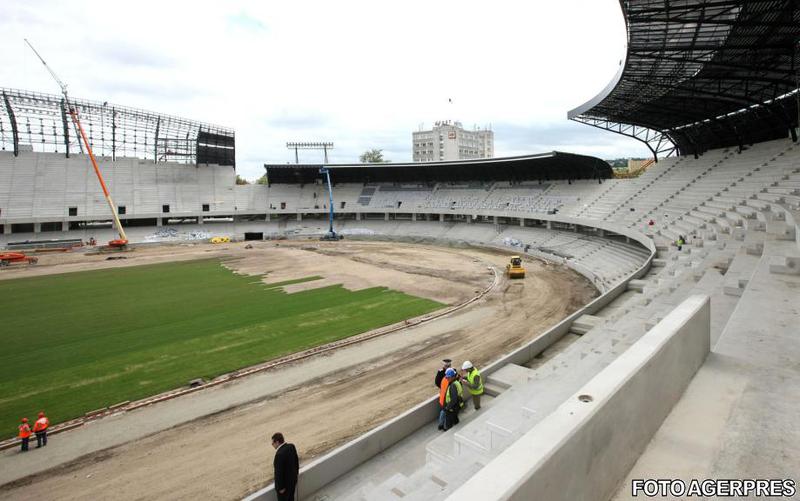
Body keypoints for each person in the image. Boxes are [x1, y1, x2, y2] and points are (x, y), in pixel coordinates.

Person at [271, 432, 299, 501]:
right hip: (293, 481)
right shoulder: (291, 446)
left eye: (273, 443)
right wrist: (296, 474)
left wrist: (280, 487)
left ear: (277, 442)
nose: (272, 445)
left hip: (284, 487)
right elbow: (296, 461)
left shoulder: (279, 454)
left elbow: (278, 473)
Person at [436, 359, 452, 431]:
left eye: (448, 366)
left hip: (445, 395)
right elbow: (437, 382)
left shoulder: (451, 371)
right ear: (444, 366)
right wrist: (443, 388)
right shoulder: (441, 372)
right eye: (446, 366)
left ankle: (441, 424)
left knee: (444, 410)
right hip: (446, 395)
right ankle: (444, 425)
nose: (447, 367)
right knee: (446, 411)